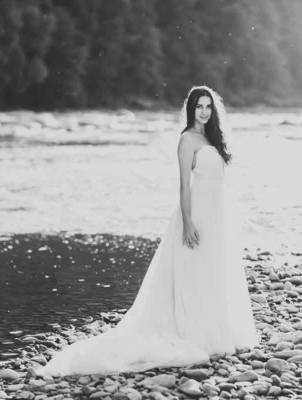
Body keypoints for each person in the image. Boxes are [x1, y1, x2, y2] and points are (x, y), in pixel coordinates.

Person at [41, 86, 258, 377]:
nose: (204, 111)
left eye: (208, 106)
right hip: (196, 216)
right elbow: (183, 185)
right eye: (199, 106)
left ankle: (216, 330)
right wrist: (188, 223)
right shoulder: (186, 140)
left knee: (213, 272)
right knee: (193, 273)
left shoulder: (211, 138)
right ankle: (192, 332)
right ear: (190, 109)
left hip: (217, 216)